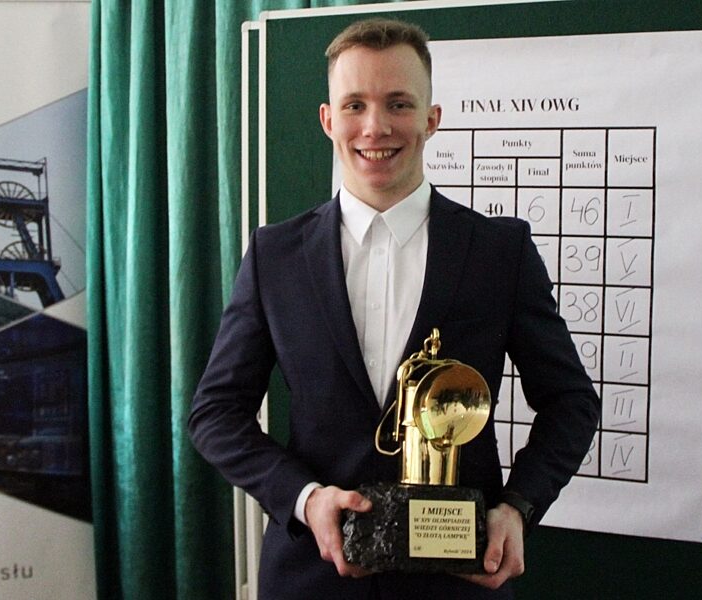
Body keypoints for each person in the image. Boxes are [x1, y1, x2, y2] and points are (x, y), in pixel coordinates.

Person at [189, 18, 599, 600]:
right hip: (312, 580)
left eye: (398, 104)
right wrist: (305, 499)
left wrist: (518, 506)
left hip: (458, 583)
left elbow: (571, 402)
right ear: (328, 120)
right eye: (354, 105)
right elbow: (215, 414)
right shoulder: (274, 255)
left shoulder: (499, 252)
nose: (375, 127)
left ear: (431, 119)